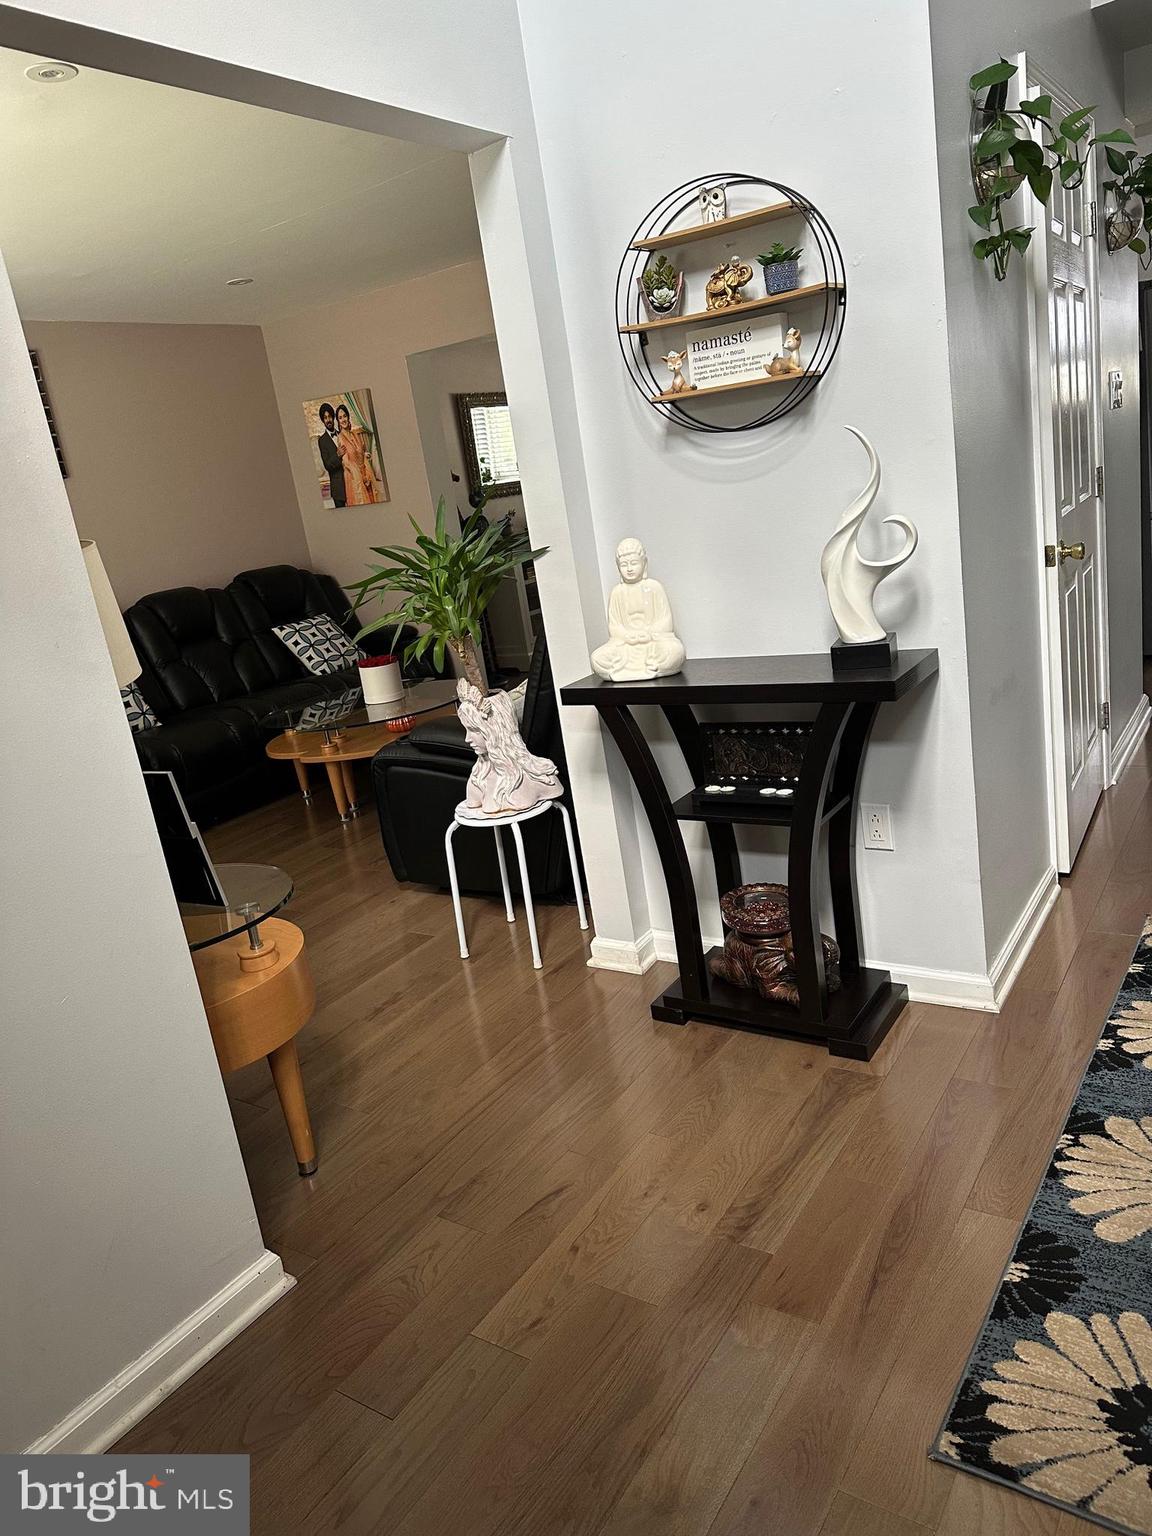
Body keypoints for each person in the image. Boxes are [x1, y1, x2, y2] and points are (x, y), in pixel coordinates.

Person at [590, 537, 685, 681]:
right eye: (623, 565)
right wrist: (627, 636)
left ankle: (651, 665)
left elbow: (666, 621)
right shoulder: (617, 592)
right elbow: (614, 627)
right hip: (626, 647)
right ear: (618, 567)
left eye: (634, 563)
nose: (629, 569)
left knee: (676, 652)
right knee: (597, 658)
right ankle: (631, 667)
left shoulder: (654, 587)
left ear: (644, 563)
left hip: (653, 643)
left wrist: (648, 633)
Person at [335, 402, 378, 506]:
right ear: (338, 421)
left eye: (344, 416)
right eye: (340, 418)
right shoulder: (340, 438)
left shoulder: (355, 434)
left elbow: (361, 454)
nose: (343, 419)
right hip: (354, 478)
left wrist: (366, 475)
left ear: (348, 417)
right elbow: (347, 463)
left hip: (365, 473)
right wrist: (361, 478)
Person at [315, 402, 346, 508]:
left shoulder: (342, 434)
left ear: (333, 418)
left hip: (351, 483)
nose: (328, 420)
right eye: (325, 418)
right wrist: (337, 455)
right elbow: (327, 465)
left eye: (329, 417)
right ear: (323, 420)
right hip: (338, 489)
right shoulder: (322, 441)